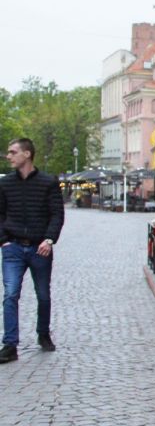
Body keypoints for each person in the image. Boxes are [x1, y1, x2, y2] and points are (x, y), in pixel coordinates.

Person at [0, 138, 64, 363]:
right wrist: (3, 240)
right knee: (10, 294)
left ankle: (43, 333)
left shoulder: (48, 182)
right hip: (13, 247)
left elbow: (57, 214)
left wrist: (49, 240)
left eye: (13, 152)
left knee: (43, 294)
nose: (9, 156)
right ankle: (10, 345)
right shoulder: (5, 183)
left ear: (27, 154)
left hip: (40, 248)